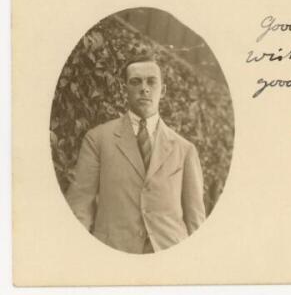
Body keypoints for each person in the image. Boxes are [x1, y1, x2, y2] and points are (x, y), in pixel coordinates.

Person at [65, 54, 206, 254]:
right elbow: (79, 206)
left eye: (151, 82)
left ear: (163, 90)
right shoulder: (98, 139)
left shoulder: (185, 150)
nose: (144, 88)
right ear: (124, 90)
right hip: (115, 253)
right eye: (135, 82)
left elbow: (195, 220)